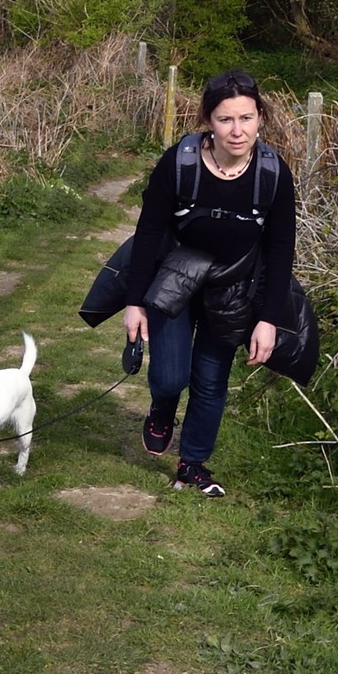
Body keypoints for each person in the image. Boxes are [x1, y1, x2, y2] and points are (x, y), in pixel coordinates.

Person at [123, 70, 296, 498]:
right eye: (225, 119)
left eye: (247, 118)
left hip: (233, 289)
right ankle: (162, 407)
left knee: (211, 380)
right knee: (168, 377)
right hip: (175, 280)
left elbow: (280, 251)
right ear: (208, 120)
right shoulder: (178, 164)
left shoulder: (273, 175)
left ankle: (192, 465)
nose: (237, 131)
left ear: (261, 118)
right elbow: (147, 234)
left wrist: (268, 319)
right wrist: (134, 302)